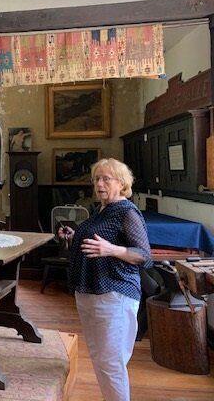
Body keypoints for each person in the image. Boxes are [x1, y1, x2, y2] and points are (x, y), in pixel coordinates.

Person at [58, 158, 152, 401]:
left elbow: (144, 255)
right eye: (96, 179)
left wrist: (113, 250)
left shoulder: (127, 211)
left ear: (121, 183)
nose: (99, 184)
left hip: (115, 295)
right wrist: (73, 237)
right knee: (100, 359)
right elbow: (92, 245)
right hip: (89, 292)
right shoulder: (100, 210)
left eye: (106, 179)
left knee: (111, 363)